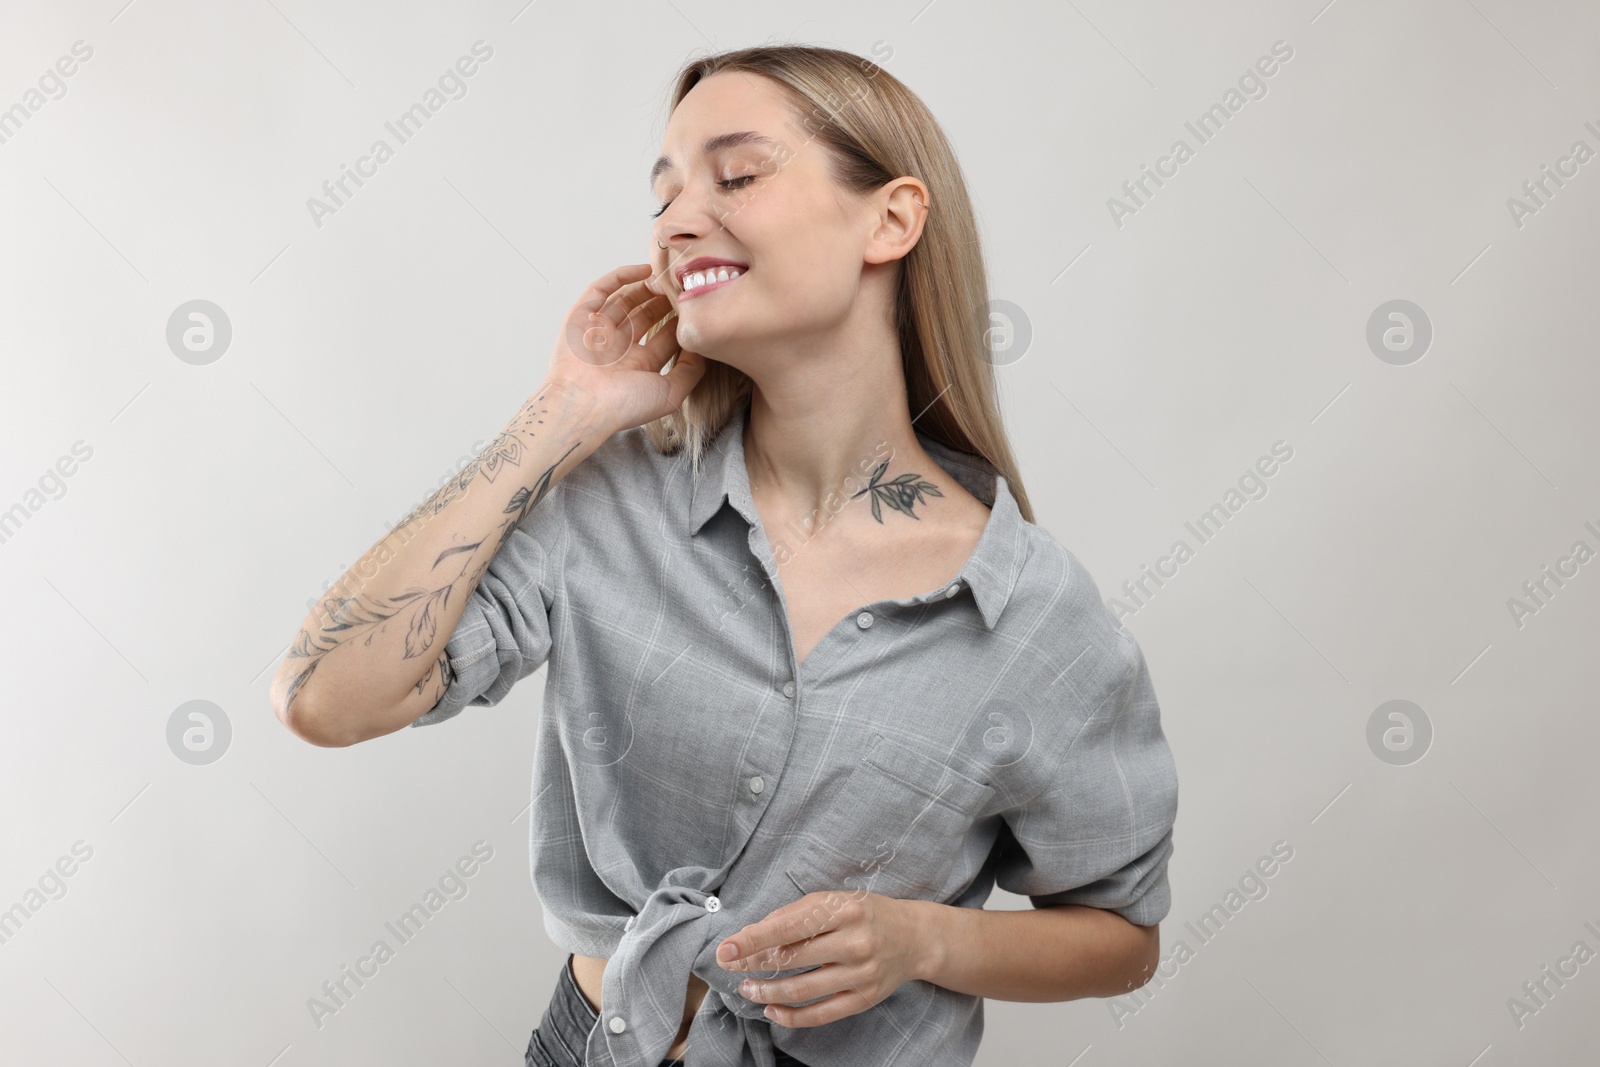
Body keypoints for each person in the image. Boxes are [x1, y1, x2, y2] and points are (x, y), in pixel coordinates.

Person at [271, 44, 1179, 1067]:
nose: (678, 221)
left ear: (891, 218)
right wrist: (558, 415)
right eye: (662, 198)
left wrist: (926, 936)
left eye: (736, 175)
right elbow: (324, 696)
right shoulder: (606, 501)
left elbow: (1121, 937)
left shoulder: (1033, 615)